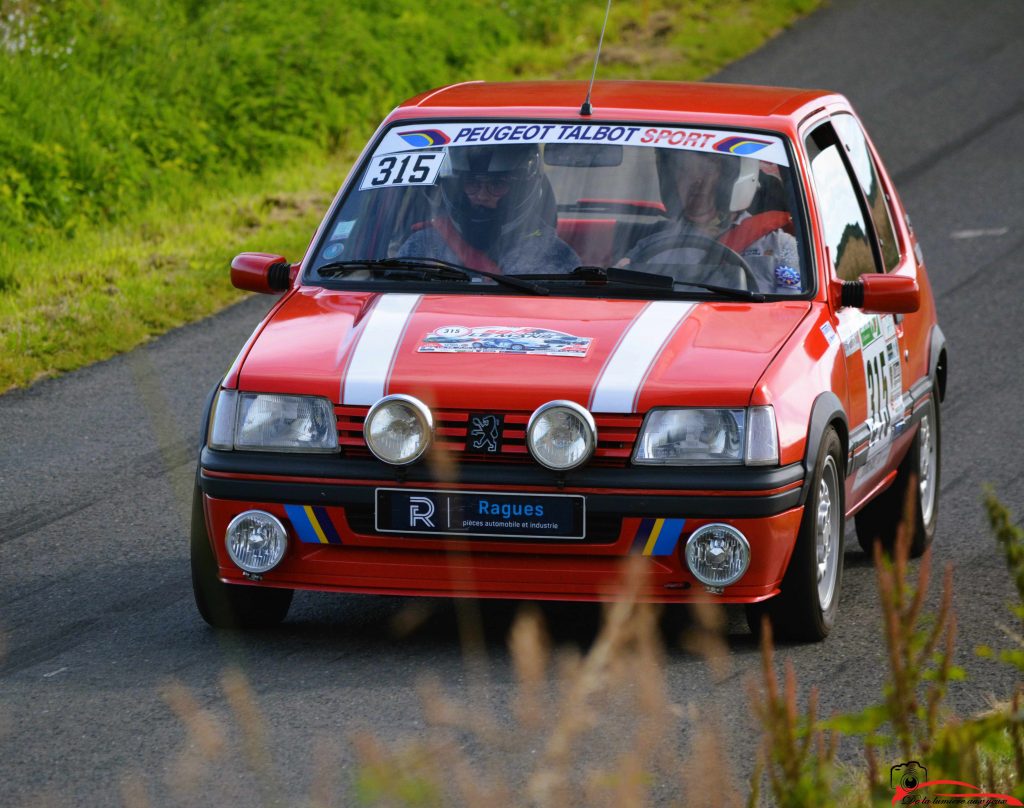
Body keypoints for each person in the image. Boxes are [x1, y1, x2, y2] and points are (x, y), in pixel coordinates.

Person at [621, 150, 801, 293]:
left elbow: (794, 313)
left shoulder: (781, 247)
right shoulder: (648, 248)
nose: (696, 183)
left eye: (707, 172)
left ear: (732, 179)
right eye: (684, 172)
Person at [397, 145, 579, 275]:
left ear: (522, 188)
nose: (482, 196)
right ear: (458, 187)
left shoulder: (553, 255)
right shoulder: (421, 248)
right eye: (472, 184)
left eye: (497, 185)